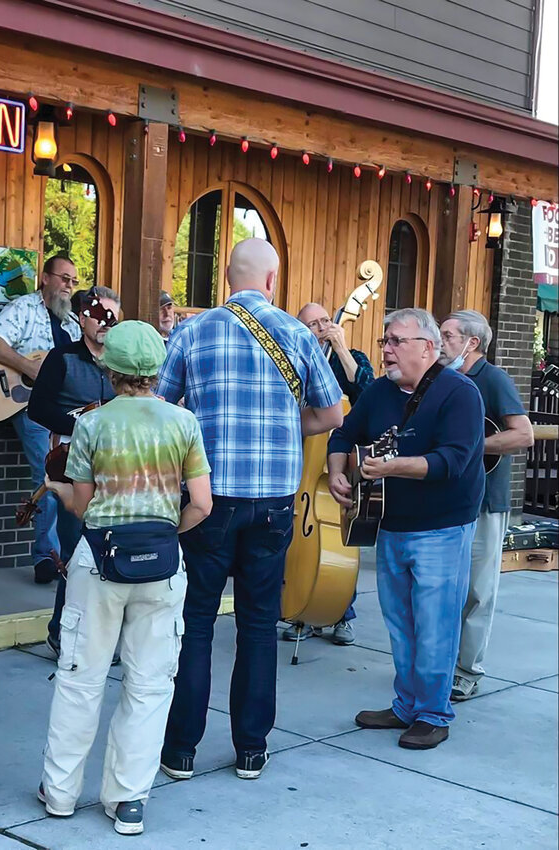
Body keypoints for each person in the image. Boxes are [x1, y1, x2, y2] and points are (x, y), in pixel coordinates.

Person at [159, 238, 343, 782]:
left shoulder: (193, 331)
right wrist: (288, 429)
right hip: (274, 505)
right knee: (259, 625)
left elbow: (163, 410)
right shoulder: (293, 332)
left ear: (227, 281)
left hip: (207, 501)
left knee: (194, 623)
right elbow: (331, 412)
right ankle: (251, 749)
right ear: (271, 280)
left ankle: (181, 751)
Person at [39, 321, 212, 836]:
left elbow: (83, 506)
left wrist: (55, 490)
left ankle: (61, 793)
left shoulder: (92, 425)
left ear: (107, 368)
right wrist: (166, 535)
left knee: (80, 677)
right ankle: (129, 800)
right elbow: (201, 504)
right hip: (162, 564)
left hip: (100, 561)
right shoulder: (183, 422)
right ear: (157, 369)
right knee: (150, 684)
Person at [328, 307, 485, 750]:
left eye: (396, 341)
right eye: (384, 341)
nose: (386, 350)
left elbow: (452, 461)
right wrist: (337, 470)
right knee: (400, 622)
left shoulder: (461, 393)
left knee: (434, 623)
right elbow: (343, 435)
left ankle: (434, 714)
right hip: (388, 523)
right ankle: (407, 705)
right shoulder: (378, 391)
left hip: (442, 527)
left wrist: (391, 466)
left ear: (428, 348)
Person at [439, 310, 533, 701]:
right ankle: (439, 665)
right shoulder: (443, 379)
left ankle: (467, 671)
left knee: (478, 589)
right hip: (447, 498)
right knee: (445, 588)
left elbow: (523, 434)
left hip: (485, 499)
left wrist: (471, 446)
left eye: (446, 335)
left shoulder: (492, 379)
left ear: (471, 342)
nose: (439, 342)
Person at [27, 286, 119, 657]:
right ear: (83, 317)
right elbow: (37, 409)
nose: (105, 323)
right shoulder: (61, 357)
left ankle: (97, 636)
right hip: (70, 464)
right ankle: (61, 632)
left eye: (112, 315)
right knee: (75, 550)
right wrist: (81, 418)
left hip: (113, 466)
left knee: (106, 550)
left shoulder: (120, 361)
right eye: (99, 315)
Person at [0, 255, 82, 583]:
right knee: (49, 474)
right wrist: (28, 367)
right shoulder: (25, 308)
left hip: (65, 414)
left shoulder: (73, 323)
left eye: (73, 281)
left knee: (68, 476)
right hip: (31, 407)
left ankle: (68, 554)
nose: (68, 286)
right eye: (64, 278)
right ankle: (46, 557)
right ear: (45, 278)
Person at [289, 301, 377, 646]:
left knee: (341, 535)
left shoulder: (350, 357)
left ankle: (341, 611)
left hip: (338, 462)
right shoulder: (294, 361)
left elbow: (367, 393)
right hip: (300, 465)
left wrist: (340, 349)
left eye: (326, 321)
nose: (323, 328)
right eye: (313, 324)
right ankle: (300, 607)